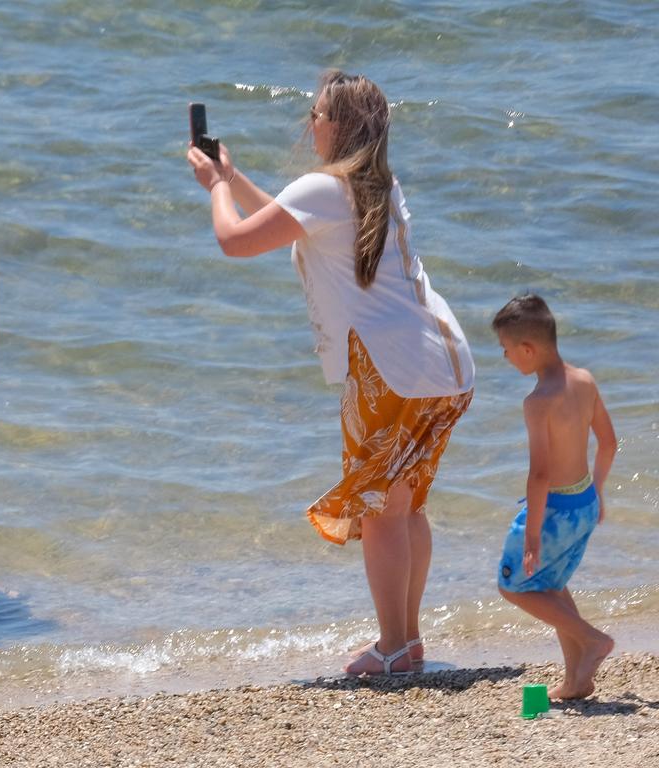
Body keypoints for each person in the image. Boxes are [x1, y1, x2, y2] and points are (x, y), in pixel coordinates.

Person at [187, 70, 475, 676]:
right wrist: (233, 177)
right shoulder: (376, 183)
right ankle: (407, 640)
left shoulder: (325, 188)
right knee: (404, 506)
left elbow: (236, 241)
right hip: (444, 362)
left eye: (315, 115)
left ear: (339, 126)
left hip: (391, 368)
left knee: (380, 511)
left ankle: (393, 645)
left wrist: (214, 186)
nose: (309, 124)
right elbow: (291, 227)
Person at [493, 294, 617, 699]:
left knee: (513, 586)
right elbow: (609, 443)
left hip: (554, 511)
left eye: (507, 350)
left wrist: (531, 534)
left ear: (527, 349)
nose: (506, 358)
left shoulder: (538, 402)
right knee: (553, 585)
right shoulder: (585, 380)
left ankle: (594, 640)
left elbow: (540, 473)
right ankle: (576, 680)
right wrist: (597, 491)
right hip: (583, 502)